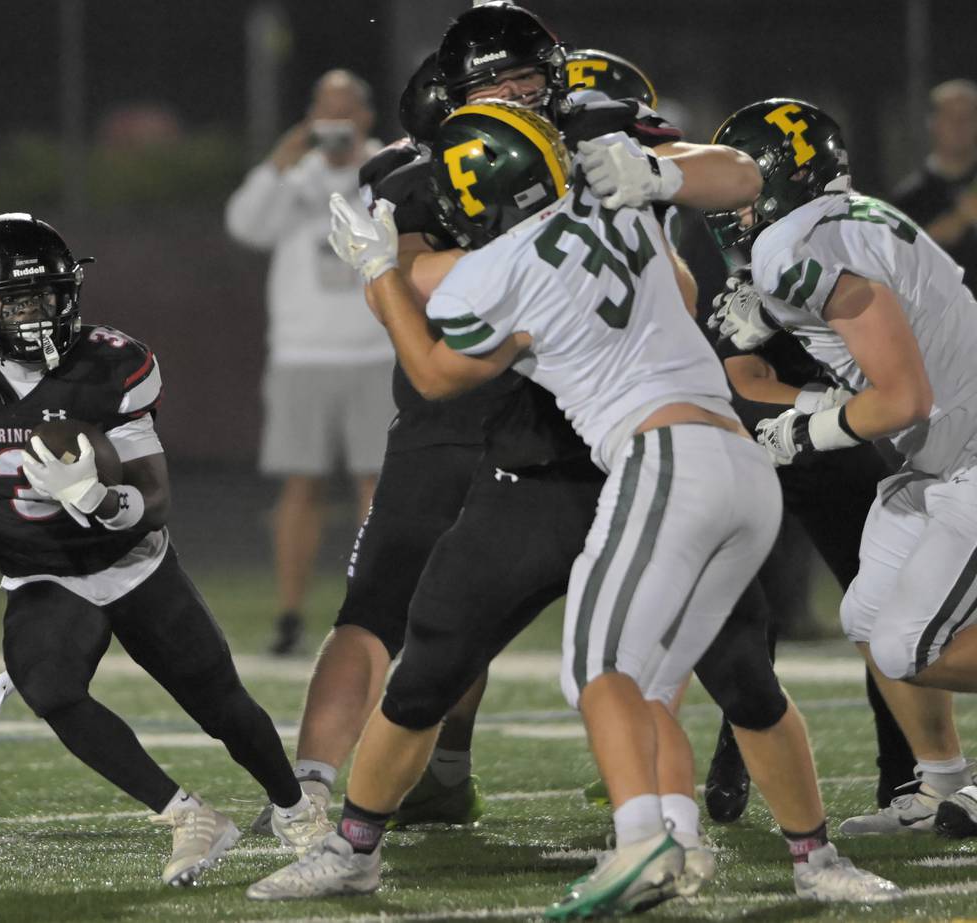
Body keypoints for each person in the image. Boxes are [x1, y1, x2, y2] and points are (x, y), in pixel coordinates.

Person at [256, 6, 893, 906]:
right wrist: (541, 241)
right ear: (453, 103)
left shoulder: (600, 139)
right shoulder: (445, 176)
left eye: (526, 76)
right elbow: (431, 292)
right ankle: (357, 839)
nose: (514, 96)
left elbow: (714, 196)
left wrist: (646, 173)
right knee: (437, 654)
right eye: (492, 86)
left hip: (641, 455)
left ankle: (757, 848)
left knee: (725, 667)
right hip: (541, 457)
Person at [0, 213, 329, 886]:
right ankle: (187, 815)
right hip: (43, 575)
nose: (34, 315)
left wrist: (97, 499)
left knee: (219, 703)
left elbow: (156, 494)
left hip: (133, 564)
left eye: (46, 297)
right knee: (47, 683)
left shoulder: (111, 364)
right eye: (15, 302)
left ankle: (293, 807)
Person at [708, 97, 977, 838]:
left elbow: (904, 395)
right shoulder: (848, 218)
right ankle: (942, 786)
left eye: (737, 180)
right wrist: (778, 337)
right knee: (866, 614)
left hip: (969, 454)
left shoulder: (795, 245)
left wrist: (803, 434)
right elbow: (888, 379)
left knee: (912, 642)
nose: (727, 203)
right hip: (938, 455)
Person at [224, 69, 395, 655]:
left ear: (367, 117)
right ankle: (290, 616)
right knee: (301, 487)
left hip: (376, 349)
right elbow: (245, 225)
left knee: (378, 484)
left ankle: (375, 607)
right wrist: (283, 159)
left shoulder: (389, 168)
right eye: (327, 111)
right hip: (302, 355)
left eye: (348, 111)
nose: (337, 124)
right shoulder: (295, 179)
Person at [892, 79, 977, 297]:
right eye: (951, 117)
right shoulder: (909, 199)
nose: (959, 125)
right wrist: (956, 221)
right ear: (933, 123)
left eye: (967, 117)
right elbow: (897, 267)